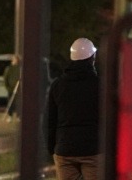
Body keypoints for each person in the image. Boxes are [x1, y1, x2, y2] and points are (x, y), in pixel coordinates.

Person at [45, 38, 101, 180]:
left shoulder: (58, 85)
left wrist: (52, 148)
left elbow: (49, 121)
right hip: (93, 149)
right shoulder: (100, 85)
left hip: (64, 150)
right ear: (92, 58)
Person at [4, 55, 21, 121]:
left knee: (18, 103)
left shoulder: (20, 68)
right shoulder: (9, 68)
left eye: (17, 60)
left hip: (18, 89)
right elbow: (6, 78)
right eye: (14, 59)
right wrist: (8, 87)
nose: (16, 61)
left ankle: (18, 116)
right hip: (11, 89)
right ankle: (10, 116)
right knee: (10, 103)